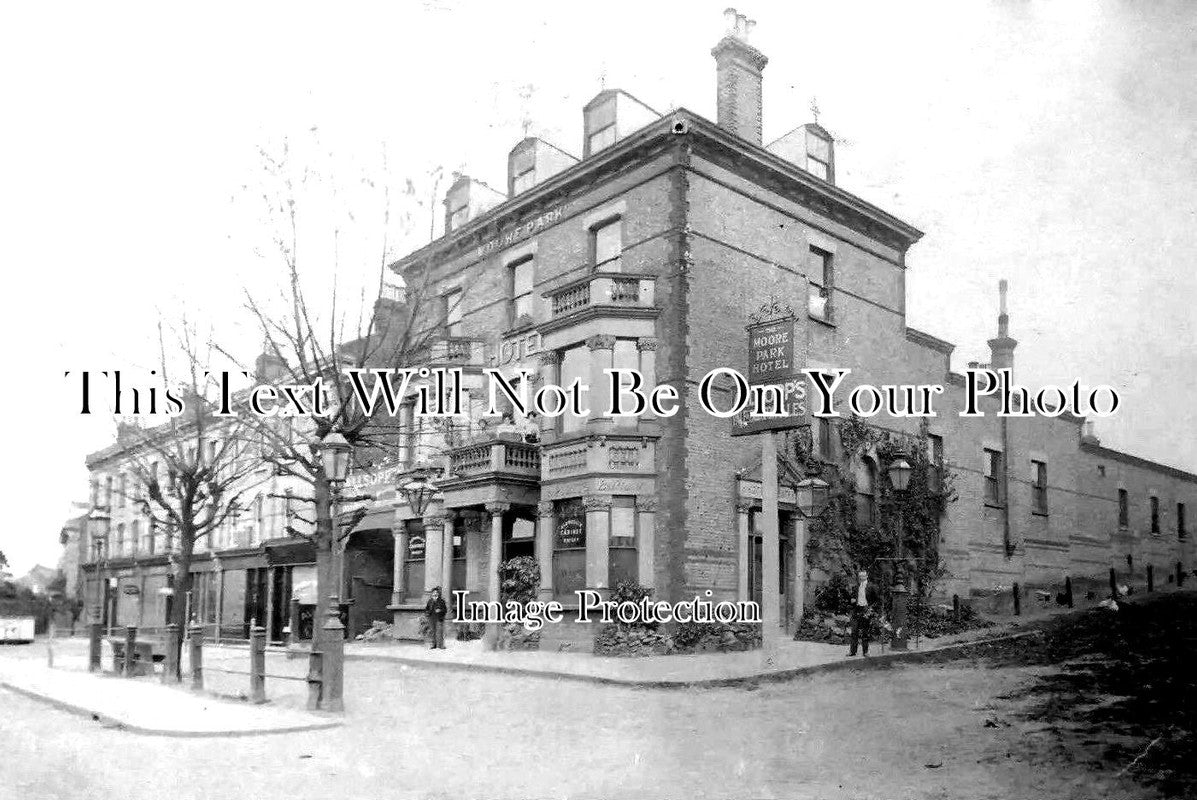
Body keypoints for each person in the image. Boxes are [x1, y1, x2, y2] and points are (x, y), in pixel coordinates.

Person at [848, 569, 880, 657]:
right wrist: (852, 601)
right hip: (856, 610)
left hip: (866, 610)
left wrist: (871, 609)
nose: (861, 578)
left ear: (866, 576)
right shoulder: (856, 587)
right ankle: (852, 651)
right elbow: (852, 599)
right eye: (860, 576)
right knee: (854, 631)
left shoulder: (872, 587)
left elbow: (877, 600)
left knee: (865, 632)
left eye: (863, 576)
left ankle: (865, 652)